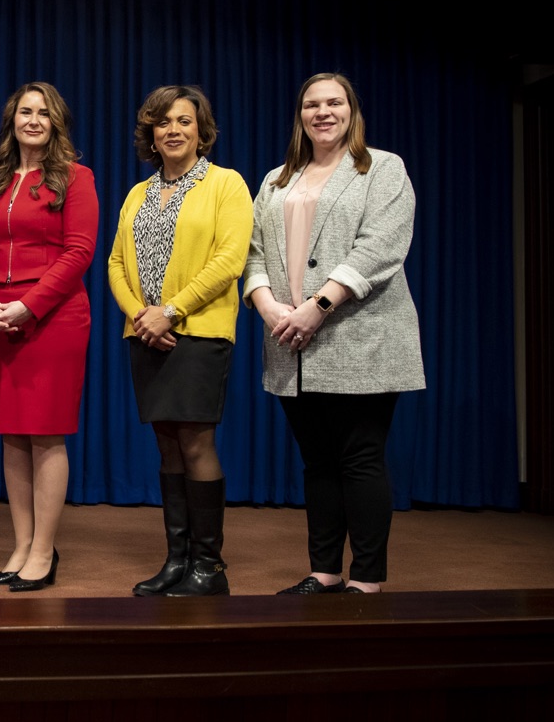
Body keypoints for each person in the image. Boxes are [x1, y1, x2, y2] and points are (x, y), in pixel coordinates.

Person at [243, 73, 425, 595]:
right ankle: (324, 571)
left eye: (334, 103)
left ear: (351, 110)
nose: (323, 112)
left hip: (359, 335)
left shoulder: (382, 168)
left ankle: (366, 578)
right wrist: (268, 306)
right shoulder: (278, 178)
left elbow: (380, 247)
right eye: (312, 104)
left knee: (360, 457)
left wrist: (318, 305)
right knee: (317, 461)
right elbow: (253, 253)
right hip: (288, 338)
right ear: (300, 115)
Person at [106, 85, 252, 597]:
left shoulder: (226, 185)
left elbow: (229, 261)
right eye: (163, 122)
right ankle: (177, 560)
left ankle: (209, 568)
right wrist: (140, 316)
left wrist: (169, 312)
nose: (173, 130)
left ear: (200, 130)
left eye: (184, 121)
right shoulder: (137, 194)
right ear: (151, 132)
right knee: (166, 445)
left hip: (197, 333)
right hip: (144, 333)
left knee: (195, 442)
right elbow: (116, 263)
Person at [0, 82, 98, 592]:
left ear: (56, 122)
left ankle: (44, 550)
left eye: (44, 113)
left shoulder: (76, 178)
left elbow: (79, 251)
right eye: (26, 111)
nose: (34, 120)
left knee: (46, 433)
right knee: (12, 435)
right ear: (12, 120)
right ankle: (21, 544)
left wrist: (29, 305)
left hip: (54, 318)